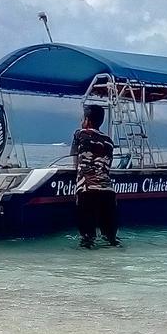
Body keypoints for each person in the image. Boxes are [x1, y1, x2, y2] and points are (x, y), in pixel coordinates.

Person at [70, 104, 120, 248]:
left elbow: (74, 159)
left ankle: (87, 270)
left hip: (87, 191)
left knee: (88, 239)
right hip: (108, 192)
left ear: (88, 120)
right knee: (111, 239)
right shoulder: (109, 141)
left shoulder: (80, 134)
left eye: (83, 119)